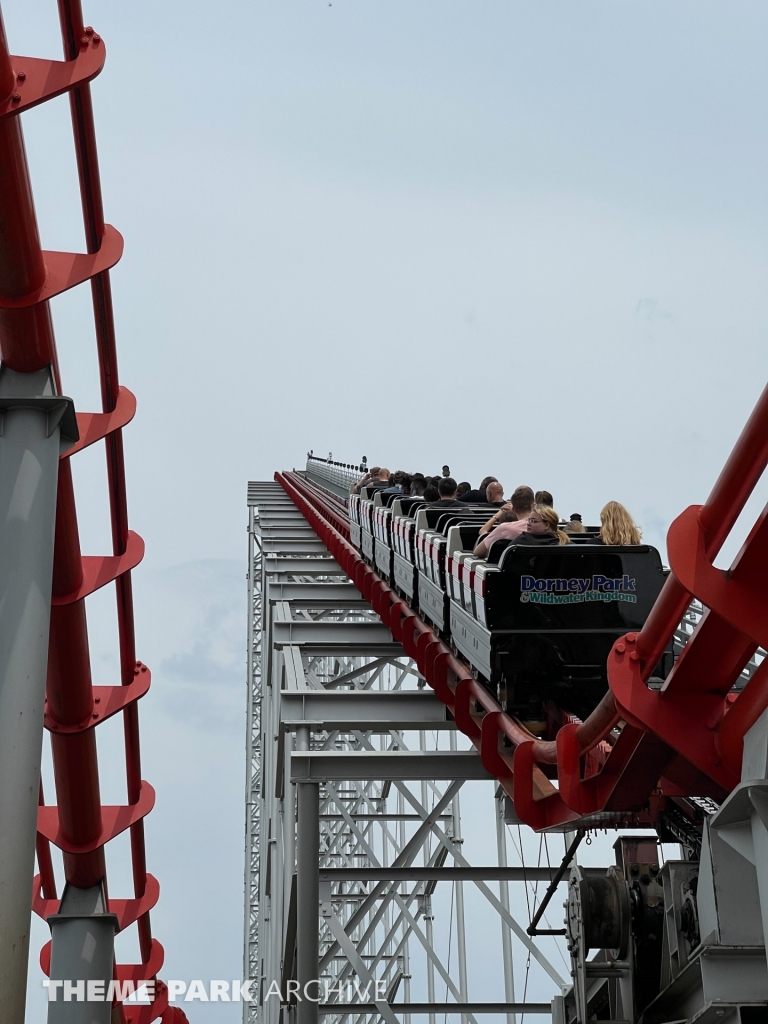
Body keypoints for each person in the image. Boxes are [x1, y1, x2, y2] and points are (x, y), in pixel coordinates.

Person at [473, 485, 535, 556]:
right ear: (533, 506)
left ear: (513, 510)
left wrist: (498, 514)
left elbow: (477, 552)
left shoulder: (504, 528)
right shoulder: (543, 528)